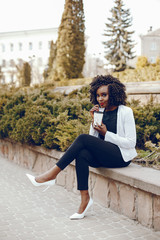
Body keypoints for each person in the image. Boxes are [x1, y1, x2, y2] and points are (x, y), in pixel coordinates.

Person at [26, 75, 137, 220]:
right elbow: (94, 140)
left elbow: (130, 142)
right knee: (82, 153)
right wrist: (94, 121)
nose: (100, 99)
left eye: (104, 95)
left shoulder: (125, 112)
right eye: (97, 95)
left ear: (114, 94)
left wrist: (106, 133)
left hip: (120, 157)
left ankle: (51, 175)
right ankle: (85, 200)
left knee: (82, 138)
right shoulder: (100, 112)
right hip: (104, 156)